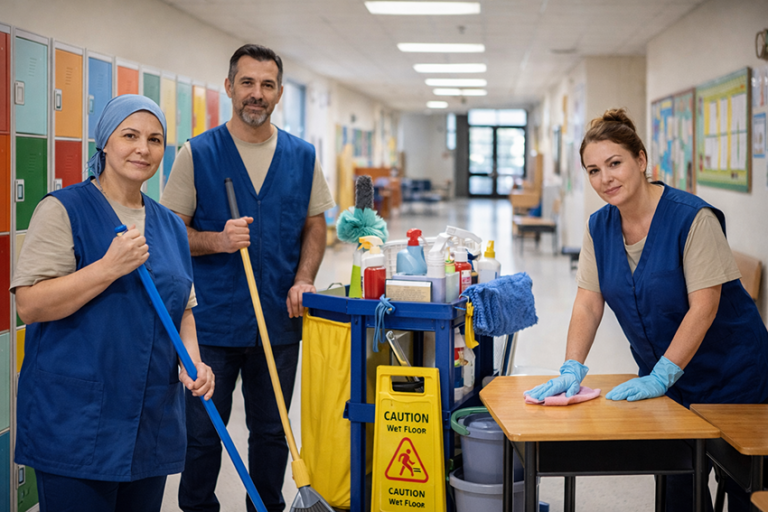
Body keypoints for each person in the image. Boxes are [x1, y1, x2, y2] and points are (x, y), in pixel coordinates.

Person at [525, 108, 768, 512]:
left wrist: (662, 376)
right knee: (677, 487)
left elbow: (704, 308)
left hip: (733, 376)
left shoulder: (693, 219)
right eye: (593, 170)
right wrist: (571, 366)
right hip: (669, 383)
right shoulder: (598, 227)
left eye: (615, 163)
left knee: (743, 487)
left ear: (641, 161)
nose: (605, 178)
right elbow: (588, 302)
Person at [12, 94, 215, 512]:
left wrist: (194, 362)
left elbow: (184, 308)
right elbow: (29, 305)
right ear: (105, 142)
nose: (143, 148)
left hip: (149, 418)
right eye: (130, 135)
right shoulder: (62, 210)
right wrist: (107, 268)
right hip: (77, 420)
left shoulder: (169, 226)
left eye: (155, 139)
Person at [160, 43, 334, 512]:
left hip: (278, 320)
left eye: (267, 85)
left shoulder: (302, 157)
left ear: (278, 94)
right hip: (211, 323)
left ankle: (267, 506)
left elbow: (315, 224)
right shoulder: (197, 153)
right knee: (202, 435)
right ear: (229, 87)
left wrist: (303, 278)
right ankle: (197, 507)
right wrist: (217, 240)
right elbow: (171, 231)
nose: (256, 94)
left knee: (272, 433)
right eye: (248, 83)